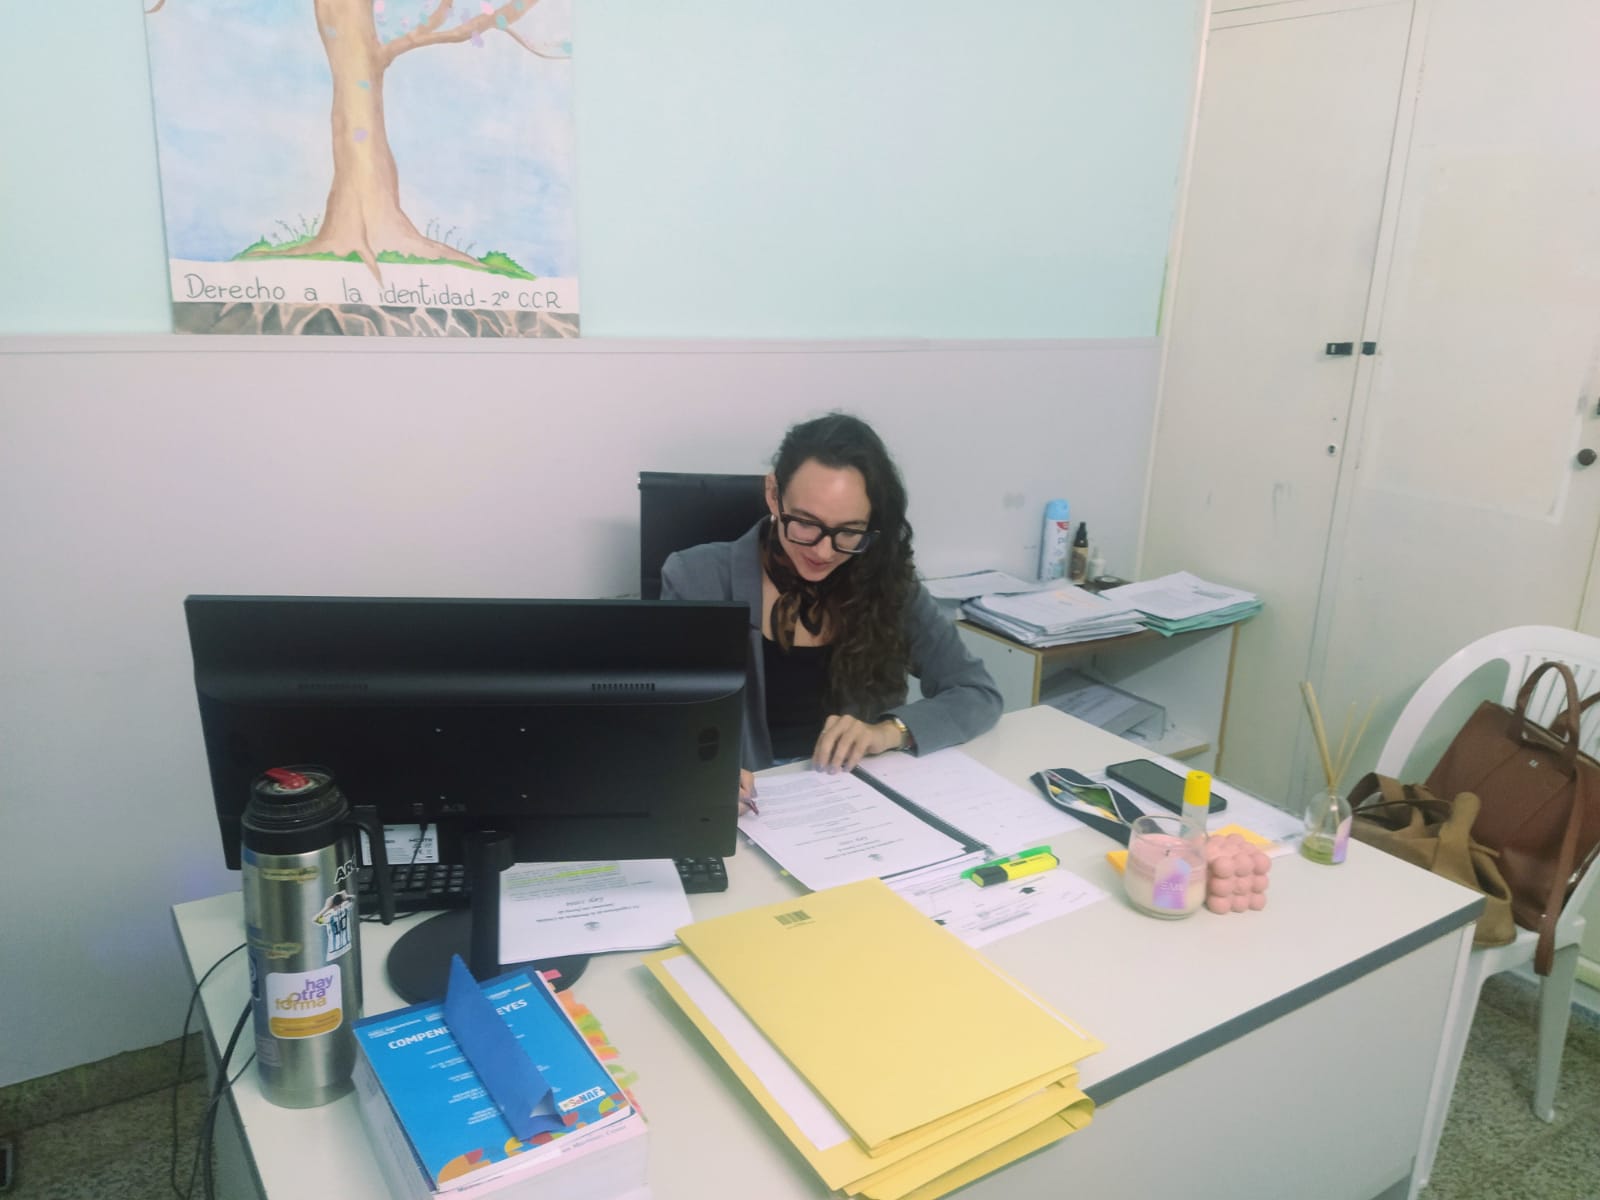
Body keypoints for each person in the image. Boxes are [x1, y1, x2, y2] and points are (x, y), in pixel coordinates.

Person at [660, 412, 1002, 808]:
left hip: (855, 805)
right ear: (773, 494)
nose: (823, 552)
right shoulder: (696, 578)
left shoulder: (888, 583)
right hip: (746, 811)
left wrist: (888, 731)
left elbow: (977, 692)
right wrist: (702, 770)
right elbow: (663, 721)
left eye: (849, 531)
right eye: (806, 523)